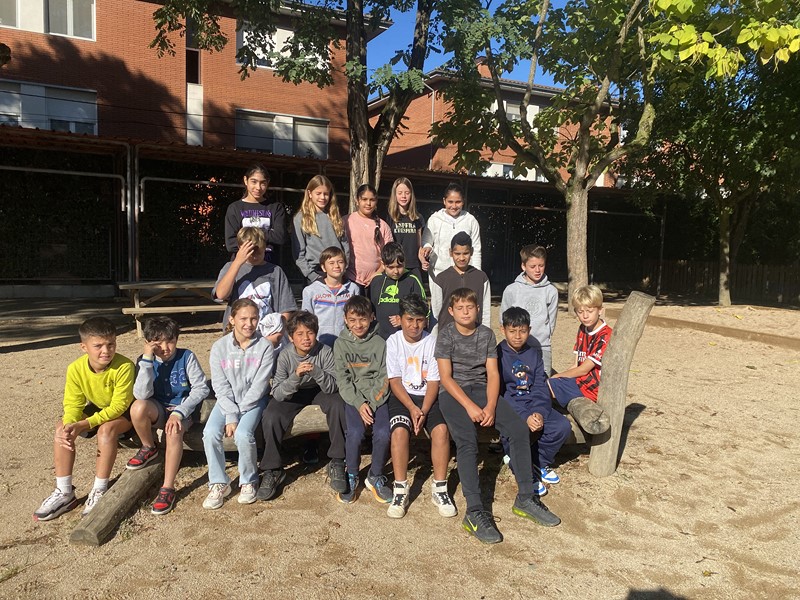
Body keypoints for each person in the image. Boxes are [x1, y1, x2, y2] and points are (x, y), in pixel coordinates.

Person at [435, 288, 560, 544]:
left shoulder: (486, 334)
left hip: (482, 390)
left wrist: (491, 406)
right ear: (451, 311)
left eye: (470, 307)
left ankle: (526, 497)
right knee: (467, 441)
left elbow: (492, 374)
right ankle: (474, 511)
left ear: (478, 309)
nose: (465, 312)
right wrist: (470, 407)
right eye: (460, 308)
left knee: (518, 429)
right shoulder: (446, 335)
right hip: (454, 394)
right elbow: (445, 378)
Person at [33, 317, 135, 521]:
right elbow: (73, 403)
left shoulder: (124, 366)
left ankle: (100, 489)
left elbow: (119, 406)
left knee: (106, 430)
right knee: (62, 427)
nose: (106, 351)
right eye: (98, 346)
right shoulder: (75, 368)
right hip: (98, 408)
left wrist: (86, 424)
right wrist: (70, 424)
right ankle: (64, 491)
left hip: (124, 413)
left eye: (111, 344)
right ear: (83, 347)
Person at [256, 311, 348, 500]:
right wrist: (295, 377)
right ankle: (272, 469)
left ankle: (338, 460)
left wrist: (317, 371)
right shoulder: (285, 356)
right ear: (291, 337)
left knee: (338, 404)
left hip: (320, 390)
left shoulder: (324, 351)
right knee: (272, 414)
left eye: (310, 333)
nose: (306, 338)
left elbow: (333, 386)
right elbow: (278, 393)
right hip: (294, 392)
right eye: (300, 334)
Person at [125, 316, 209, 515]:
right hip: (158, 408)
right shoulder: (145, 360)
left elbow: (201, 388)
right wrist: (147, 360)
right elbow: (141, 394)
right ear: (148, 343)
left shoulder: (186, 357)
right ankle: (149, 447)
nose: (165, 348)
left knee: (173, 431)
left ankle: (167, 487)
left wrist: (180, 412)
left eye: (170, 341)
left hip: (181, 409)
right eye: (158, 342)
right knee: (138, 407)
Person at [386, 295, 456, 519]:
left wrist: (423, 410)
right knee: (399, 432)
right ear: (400, 319)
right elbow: (394, 380)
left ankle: (440, 487)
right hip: (403, 397)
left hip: (428, 397)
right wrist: (412, 408)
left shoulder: (432, 341)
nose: (414, 325)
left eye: (419, 320)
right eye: (409, 319)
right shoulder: (393, 341)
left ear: (426, 320)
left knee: (441, 431)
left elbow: (434, 381)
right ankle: (400, 488)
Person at [203, 299, 274, 509]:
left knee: (243, 434)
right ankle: (218, 482)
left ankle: (249, 480)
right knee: (210, 433)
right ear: (232, 319)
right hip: (227, 401)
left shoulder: (264, 347)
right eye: (243, 318)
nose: (249, 324)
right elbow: (220, 385)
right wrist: (231, 414)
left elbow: (260, 386)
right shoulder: (219, 347)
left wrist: (239, 413)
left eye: (253, 318)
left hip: (254, 401)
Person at [497, 307, 571, 496]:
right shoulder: (498, 355)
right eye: (512, 331)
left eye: (522, 331)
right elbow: (501, 393)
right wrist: (524, 416)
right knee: (518, 431)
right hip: (511, 406)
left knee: (562, 426)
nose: (517, 336)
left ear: (529, 330)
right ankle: (518, 464)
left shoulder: (534, 353)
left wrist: (539, 412)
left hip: (533, 403)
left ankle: (538, 461)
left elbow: (540, 385)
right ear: (503, 330)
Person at [333, 296, 392, 504]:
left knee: (383, 433)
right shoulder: (341, 344)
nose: (358, 325)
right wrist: (360, 404)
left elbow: (385, 377)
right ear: (345, 320)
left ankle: (375, 475)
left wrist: (372, 404)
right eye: (353, 320)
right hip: (354, 397)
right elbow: (343, 379)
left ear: (371, 317)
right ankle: (352, 473)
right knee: (355, 433)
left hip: (377, 397)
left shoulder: (380, 343)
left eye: (363, 319)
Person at [548, 284, 612, 435]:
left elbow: (584, 369)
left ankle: (548, 426)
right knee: (543, 385)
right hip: (579, 382)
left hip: (592, 388)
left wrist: (557, 377)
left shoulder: (605, 335)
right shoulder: (583, 329)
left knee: (545, 387)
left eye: (589, 311)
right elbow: (576, 364)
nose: (585, 316)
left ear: (600, 310)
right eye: (580, 311)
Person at [213, 226, 296, 335]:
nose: (255, 256)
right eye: (250, 252)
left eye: (259, 252)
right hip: (237, 334)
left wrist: (277, 334)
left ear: (265, 247)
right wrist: (237, 262)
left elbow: (286, 309)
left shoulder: (275, 271)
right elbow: (221, 295)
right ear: (240, 248)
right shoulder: (230, 267)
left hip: (267, 333)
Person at [421, 183, 481, 324]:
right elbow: (426, 240)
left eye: (458, 202)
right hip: (439, 273)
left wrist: (476, 274)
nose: (454, 206)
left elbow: (476, 248)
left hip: (463, 275)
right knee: (439, 311)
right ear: (444, 201)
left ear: (463, 201)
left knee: (462, 309)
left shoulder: (470, 221)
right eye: (450, 202)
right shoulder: (434, 219)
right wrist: (427, 248)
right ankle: (437, 336)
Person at [500, 245, 559, 374]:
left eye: (541, 265)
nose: (537, 270)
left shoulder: (551, 291)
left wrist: (543, 336)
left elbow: (551, 322)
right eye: (532, 266)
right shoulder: (512, 290)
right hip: (516, 346)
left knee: (542, 380)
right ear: (523, 266)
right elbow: (504, 318)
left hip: (541, 346)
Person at [292, 175, 349, 284]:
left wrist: (344, 269)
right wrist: (312, 275)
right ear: (310, 194)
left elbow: (345, 245)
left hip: (337, 271)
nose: (322, 197)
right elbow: (298, 253)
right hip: (315, 273)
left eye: (326, 194)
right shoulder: (301, 218)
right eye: (318, 193)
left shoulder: (335, 216)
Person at [301, 246, 360, 347]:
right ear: (323, 267)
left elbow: (356, 316)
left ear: (345, 265)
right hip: (320, 343)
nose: (336, 266)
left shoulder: (353, 289)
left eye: (340, 262)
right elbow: (306, 321)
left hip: (346, 343)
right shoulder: (311, 291)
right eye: (331, 263)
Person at [224, 164, 286, 259]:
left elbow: (280, 237)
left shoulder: (276, 208)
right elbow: (231, 244)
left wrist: (246, 235)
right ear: (245, 180)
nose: (258, 187)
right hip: (242, 265)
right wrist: (267, 235)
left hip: (269, 264)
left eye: (263, 183)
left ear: (268, 183)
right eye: (254, 182)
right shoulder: (234, 208)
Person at [431, 231, 490, 331]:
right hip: (448, 334)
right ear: (450, 252)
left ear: (471, 252)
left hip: (474, 334)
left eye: (465, 253)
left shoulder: (481, 278)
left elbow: (486, 311)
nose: (461, 258)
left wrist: (485, 333)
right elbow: (436, 311)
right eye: (457, 254)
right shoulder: (441, 279)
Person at [369, 242, 427, 340]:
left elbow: (422, 310)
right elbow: (371, 309)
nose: (396, 271)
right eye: (391, 267)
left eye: (399, 266)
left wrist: (403, 320)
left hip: (404, 337)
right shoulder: (376, 281)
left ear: (405, 262)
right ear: (383, 264)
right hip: (380, 337)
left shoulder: (412, 280)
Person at [344, 184, 393, 292]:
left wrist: (377, 274)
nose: (368, 203)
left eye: (372, 200)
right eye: (364, 199)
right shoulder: (346, 221)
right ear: (357, 200)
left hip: (377, 280)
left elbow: (389, 255)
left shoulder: (383, 226)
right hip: (350, 279)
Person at [386, 177, 427, 280]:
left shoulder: (418, 218)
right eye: (400, 193)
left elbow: (419, 246)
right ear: (395, 195)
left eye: (407, 193)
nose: (403, 196)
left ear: (411, 194)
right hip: (396, 267)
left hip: (413, 266)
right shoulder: (389, 217)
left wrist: (423, 261)